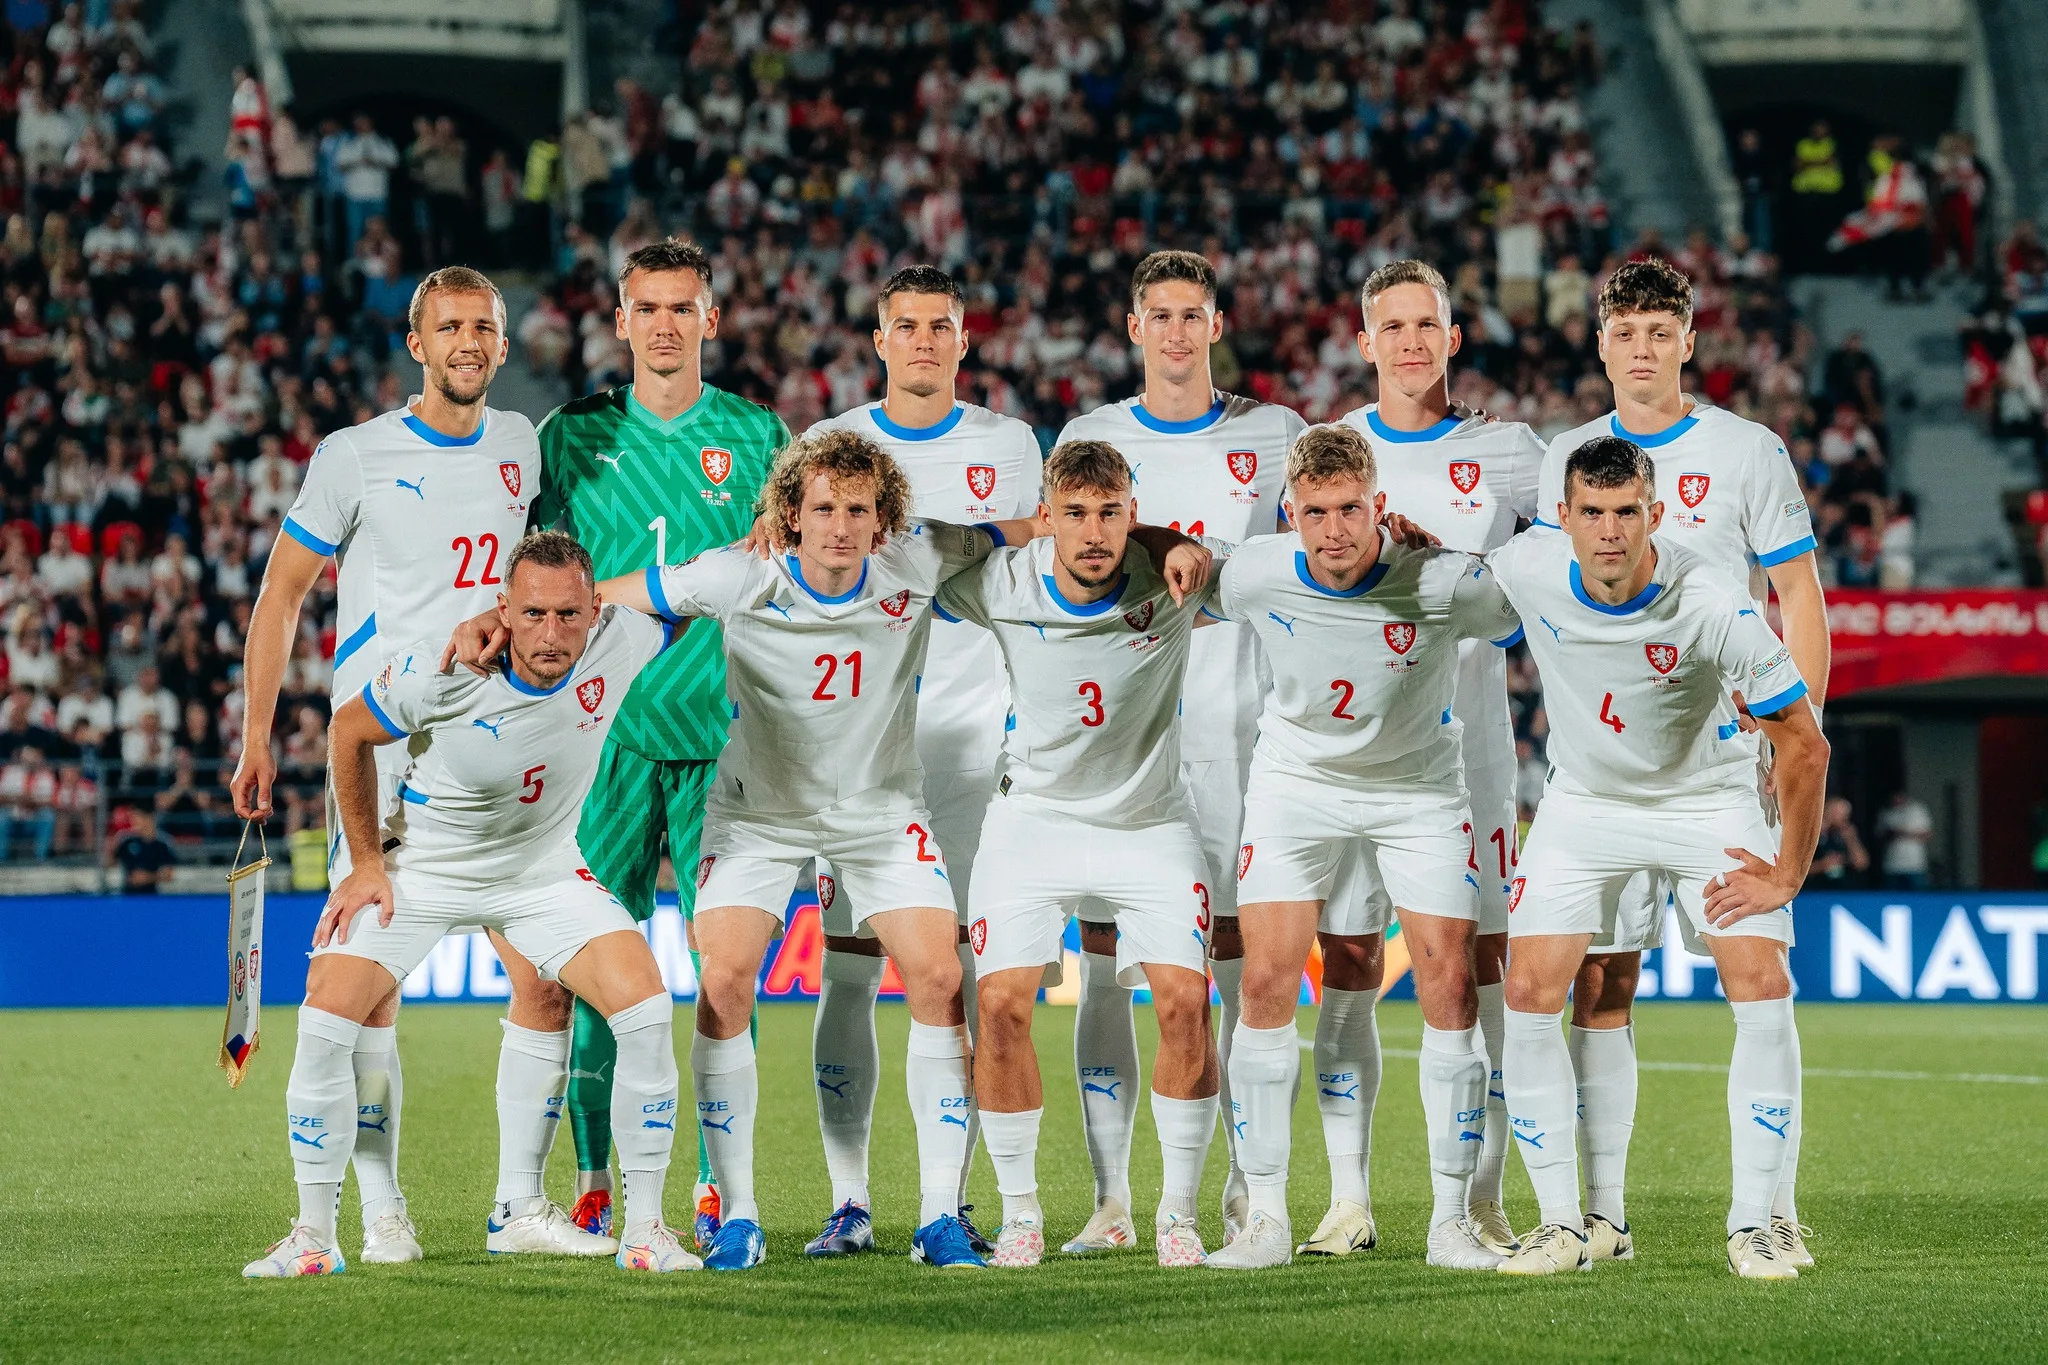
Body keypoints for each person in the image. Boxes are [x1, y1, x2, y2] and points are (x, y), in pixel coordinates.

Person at [244, 531, 697, 1277]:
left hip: (542, 872)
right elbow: (349, 730)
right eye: (532, 614)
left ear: (595, 609)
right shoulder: (443, 668)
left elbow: (682, 590)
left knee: (645, 1004)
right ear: (502, 611)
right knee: (327, 1015)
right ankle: (314, 1235)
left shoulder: (622, 638)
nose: (551, 634)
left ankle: (638, 1230)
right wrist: (363, 861)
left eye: (569, 614)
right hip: (424, 866)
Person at [230, 266, 551, 1266]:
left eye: (482, 327)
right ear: (416, 344)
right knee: (364, 992)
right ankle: (372, 1215)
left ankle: (522, 1205)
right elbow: (283, 595)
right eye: (448, 326)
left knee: (541, 977)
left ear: (502, 345)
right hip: (383, 752)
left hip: (499, 752)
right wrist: (256, 734)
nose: (466, 341)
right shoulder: (355, 456)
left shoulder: (521, 445)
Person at [1535, 257, 1829, 1269]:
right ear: (1601, 342)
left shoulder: (1747, 451)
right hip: (1605, 768)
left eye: (1660, 332)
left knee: (1757, 970)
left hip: (1714, 764)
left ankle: (1764, 1210)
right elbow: (1553, 599)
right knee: (1601, 983)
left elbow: (1797, 597)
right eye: (1624, 333)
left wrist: (1789, 718)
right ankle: (1603, 1216)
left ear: (1687, 341)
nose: (1641, 350)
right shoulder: (1566, 459)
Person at [1204, 423, 1525, 1272]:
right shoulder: (1257, 571)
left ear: (1380, 505)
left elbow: (1523, 609)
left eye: (1351, 508)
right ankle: (1266, 1215)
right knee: (1267, 981)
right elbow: (1179, 584)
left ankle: (1451, 1218)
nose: (1335, 529)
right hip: (1296, 786)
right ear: (1290, 513)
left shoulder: (1443, 578)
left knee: (1451, 984)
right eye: (1315, 511)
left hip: (1418, 790)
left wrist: (1455, 548)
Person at [528, 236, 791, 1247]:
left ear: (710, 319)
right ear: (621, 318)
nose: (666, 325)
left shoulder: (757, 432)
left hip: (725, 740)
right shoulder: (572, 438)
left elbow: (786, 577)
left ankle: (723, 1189)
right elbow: (535, 579)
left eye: (683, 307)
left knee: (726, 976)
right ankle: (593, 1176)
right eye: (648, 307)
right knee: (595, 965)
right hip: (604, 748)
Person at [1052, 250, 1304, 1251]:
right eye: (1155, 314)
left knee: (1237, 968)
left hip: (1239, 728)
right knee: (1108, 960)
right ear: (1131, 326)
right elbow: (1062, 564)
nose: (1172, 331)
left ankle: (1246, 1187)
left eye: (1189, 314)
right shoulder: (1090, 437)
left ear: (1213, 322)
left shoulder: (1274, 434)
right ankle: (1112, 1202)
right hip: (1116, 738)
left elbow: (1301, 561)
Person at [798, 264, 1042, 1258]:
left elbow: (1036, 557)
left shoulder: (1007, 444)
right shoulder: (831, 446)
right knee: (849, 975)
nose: (924, 342)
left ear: (962, 339)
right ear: (879, 338)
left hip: (977, 745)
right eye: (906, 326)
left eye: (940, 326)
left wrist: (961, 539)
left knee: (968, 980)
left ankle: (949, 1202)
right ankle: (849, 1201)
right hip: (859, 751)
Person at [935, 440, 1224, 1269]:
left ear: (1132, 514)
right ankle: (1021, 1213)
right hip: (1032, 822)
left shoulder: (1179, 581)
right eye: (1074, 514)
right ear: (1046, 518)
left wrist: (1175, 544)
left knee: (1182, 1006)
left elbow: (1299, 569)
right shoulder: (1003, 582)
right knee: (998, 1009)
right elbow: (913, 555)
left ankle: (1175, 1213)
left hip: (1151, 823)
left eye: (1110, 513)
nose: (1093, 533)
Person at [1332, 258, 1545, 1259]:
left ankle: (1480, 1196)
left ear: (1453, 338)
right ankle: (1345, 1201)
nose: (1410, 342)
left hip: (1470, 761)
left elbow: (1540, 599)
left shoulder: (1508, 455)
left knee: (1481, 969)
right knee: (1345, 968)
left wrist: (1447, 570)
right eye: (1392, 326)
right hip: (1349, 757)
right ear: (1363, 341)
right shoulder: (1327, 450)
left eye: (1427, 324)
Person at [1808, 797, 1871, 888]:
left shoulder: (1844, 833)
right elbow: (1796, 870)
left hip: (1842, 890)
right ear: (1828, 811)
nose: (1845, 818)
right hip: (1814, 891)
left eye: (1847, 814)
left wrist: (1851, 839)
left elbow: (1861, 864)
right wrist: (1822, 865)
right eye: (1841, 813)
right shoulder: (1810, 834)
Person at [1876, 789, 1932, 890]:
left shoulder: (1917, 810)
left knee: (1920, 898)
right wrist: (1892, 834)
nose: (1897, 799)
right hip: (1892, 865)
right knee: (1891, 898)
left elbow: (1927, 835)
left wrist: (1904, 833)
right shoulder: (1886, 813)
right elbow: (1879, 836)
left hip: (1915, 865)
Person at [112, 806, 175, 892]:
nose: (133, 821)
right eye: (132, 818)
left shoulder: (162, 843)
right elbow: (109, 863)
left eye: (137, 817)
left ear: (149, 818)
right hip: (127, 896)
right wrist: (110, 850)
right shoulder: (126, 840)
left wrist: (148, 877)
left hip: (150, 897)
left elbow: (169, 875)